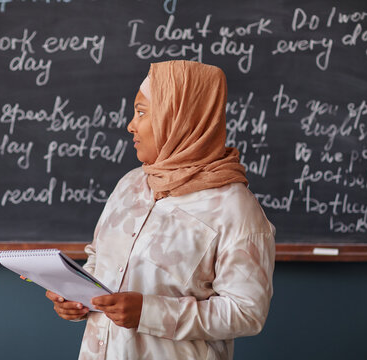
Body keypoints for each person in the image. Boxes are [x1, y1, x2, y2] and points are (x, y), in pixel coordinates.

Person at [46, 60, 275, 360]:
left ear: (177, 118)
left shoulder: (234, 207)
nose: (130, 125)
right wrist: (78, 297)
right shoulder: (131, 184)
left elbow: (247, 312)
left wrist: (149, 312)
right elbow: (99, 261)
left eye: (141, 112)